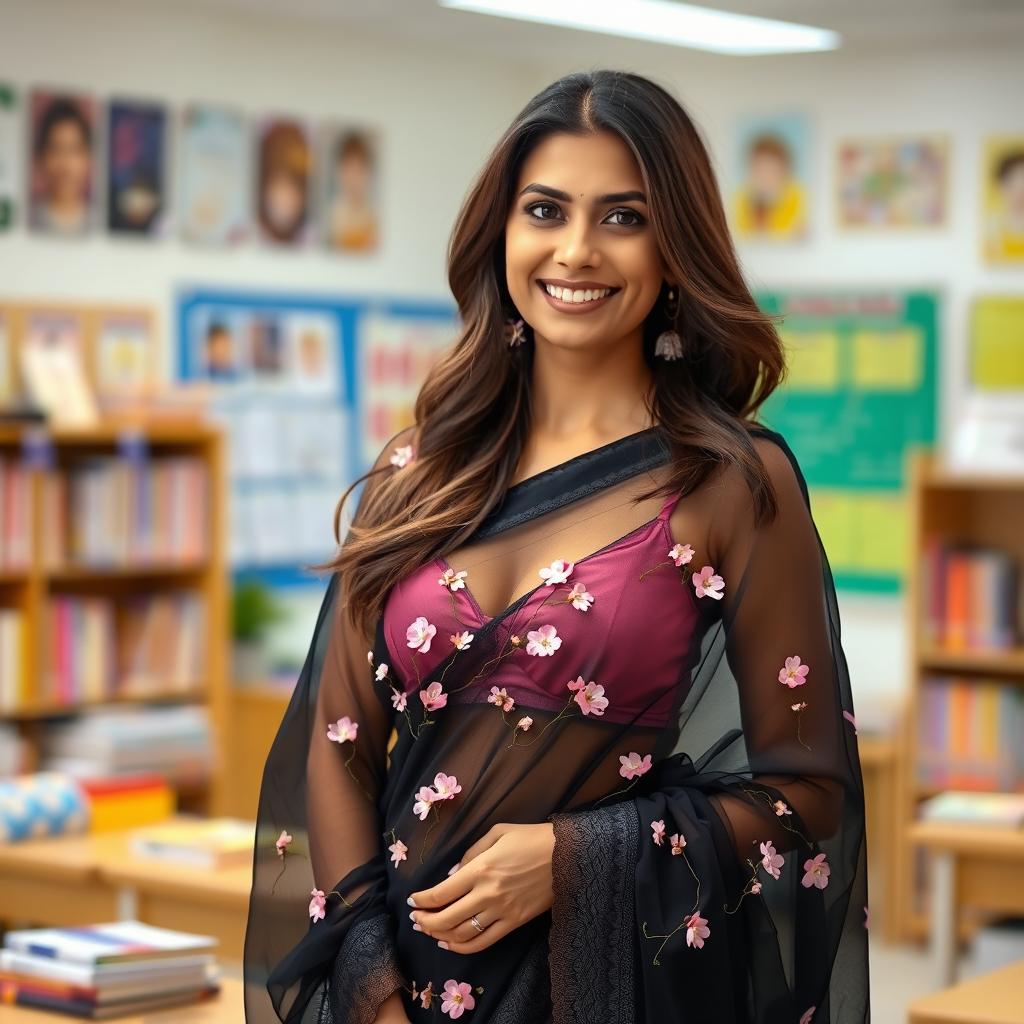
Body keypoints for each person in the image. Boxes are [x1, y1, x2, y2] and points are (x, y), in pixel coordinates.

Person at [243, 70, 869, 1024]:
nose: (576, 251)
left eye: (624, 217)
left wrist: (573, 861)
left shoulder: (732, 483)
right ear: (503, 231)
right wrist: (370, 986)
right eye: (546, 210)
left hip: (597, 988)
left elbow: (806, 790)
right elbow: (340, 744)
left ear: (674, 248)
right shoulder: (419, 468)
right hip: (391, 988)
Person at [30, 95, 93, 235]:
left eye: (74, 149)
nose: (65, 163)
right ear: (41, 157)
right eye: (56, 149)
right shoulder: (30, 218)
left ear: (88, 158)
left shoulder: (96, 220)